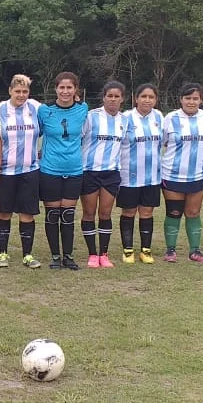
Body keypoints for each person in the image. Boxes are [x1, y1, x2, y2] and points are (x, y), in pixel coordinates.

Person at [38, 72, 89, 270]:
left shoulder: (83, 109)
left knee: (68, 215)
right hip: (50, 169)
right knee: (52, 214)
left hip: (74, 170)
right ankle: (55, 256)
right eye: (62, 87)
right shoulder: (44, 110)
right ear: (56, 89)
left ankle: (68, 256)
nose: (65, 91)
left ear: (76, 90)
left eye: (70, 87)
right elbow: (36, 132)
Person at [0, 74, 43, 268]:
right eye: (17, 91)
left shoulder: (36, 108)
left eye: (25, 91)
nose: (21, 95)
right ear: (10, 91)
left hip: (30, 169)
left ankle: (27, 255)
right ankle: (3, 253)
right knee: (4, 213)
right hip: (5, 170)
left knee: (27, 213)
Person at [161, 82, 203, 263]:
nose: (191, 102)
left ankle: (195, 251)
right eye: (188, 98)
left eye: (195, 98)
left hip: (198, 174)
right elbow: (165, 142)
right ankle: (170, 250)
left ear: (201, 99)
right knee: (174, 212)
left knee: (193, 212)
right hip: (173, 174)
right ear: (181, 99)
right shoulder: (170, 118)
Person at [80, 81, 126, 268]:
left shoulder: (125, 120)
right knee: (89, 213)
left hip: (111, 173)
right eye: (110, 96)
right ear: (104, 97)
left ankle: (104, 254)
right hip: (89, 171)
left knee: (105, 213)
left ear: (122, 99)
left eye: (117, 96)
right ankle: (92, 254)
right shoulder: (90, 117)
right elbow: (78, 138)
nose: (113, 99)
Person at [117, 84, 163, 264]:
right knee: (129, 211)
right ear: (136, 98)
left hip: (152, 175)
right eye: (143, 96)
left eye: (151, 97)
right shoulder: (126, 117)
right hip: (129, 174)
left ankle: (146, 249)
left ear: (155, 99)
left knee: (147, 211)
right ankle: (128, 249)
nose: (147, 100)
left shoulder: (159, 117)